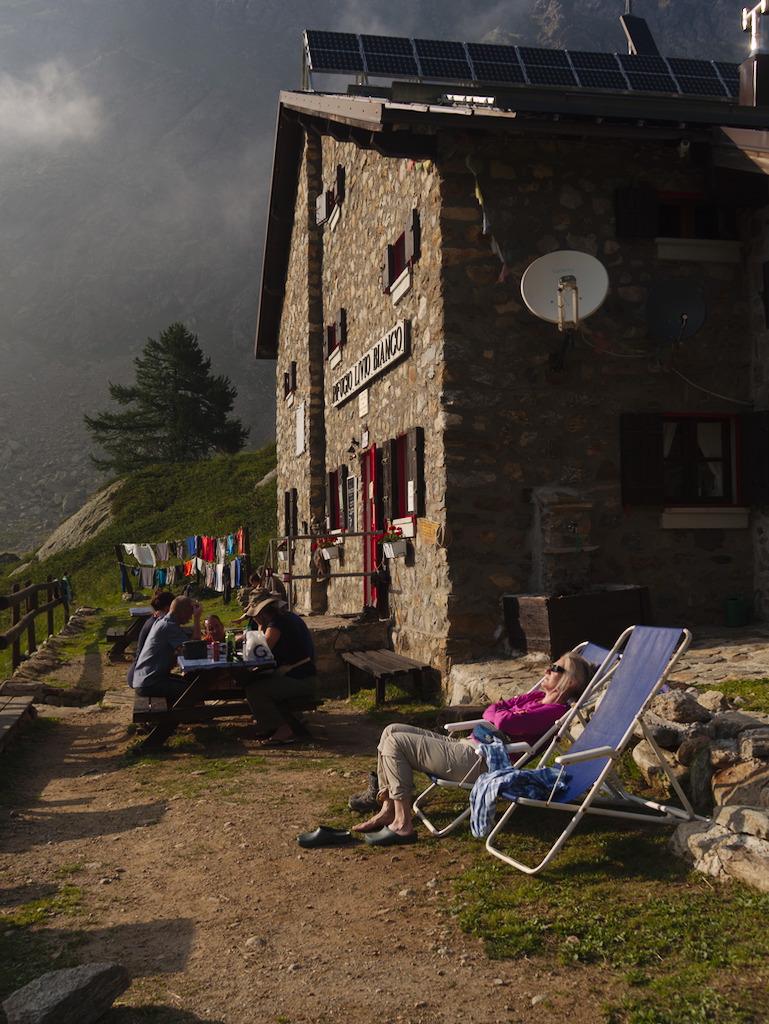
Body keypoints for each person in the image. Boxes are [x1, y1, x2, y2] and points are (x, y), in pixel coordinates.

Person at [350, 651, 593, 846]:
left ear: (571, 682)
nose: (546, 670)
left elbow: (503, 720)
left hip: (480, 762)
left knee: (396, 742)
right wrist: (496, 716)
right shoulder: (535, 699)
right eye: (550, 666)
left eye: (555, 669)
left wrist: (497, 717)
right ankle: (389, 808)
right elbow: (494, 710)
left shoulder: (555, 712)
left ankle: (403, 825)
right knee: (391, 729)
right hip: (469, 747)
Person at [242, 589, 318, 745]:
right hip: (299, 677)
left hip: (303, 680)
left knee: (255, 690)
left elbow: (262, 650)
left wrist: (260, 627)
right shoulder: (280, 621)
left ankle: (283, 729)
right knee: (253, 685)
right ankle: (270, 725)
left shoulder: (278, 624)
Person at [130, 595, 203, 701]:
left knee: (191, 684)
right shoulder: (168, 626)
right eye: (189, 614)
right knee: (193, 691)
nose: (190, 618)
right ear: (182, 612)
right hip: (149, 683)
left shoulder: (162, 621)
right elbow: (194, 647)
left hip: (146, 679)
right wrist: (197, 618)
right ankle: (191, 715)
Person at [126, 589, 175, 688]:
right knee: (187, 690)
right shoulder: (157, 626)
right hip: (143, 677)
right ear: (168, 608)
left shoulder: (155, 621)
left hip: (142, 674)